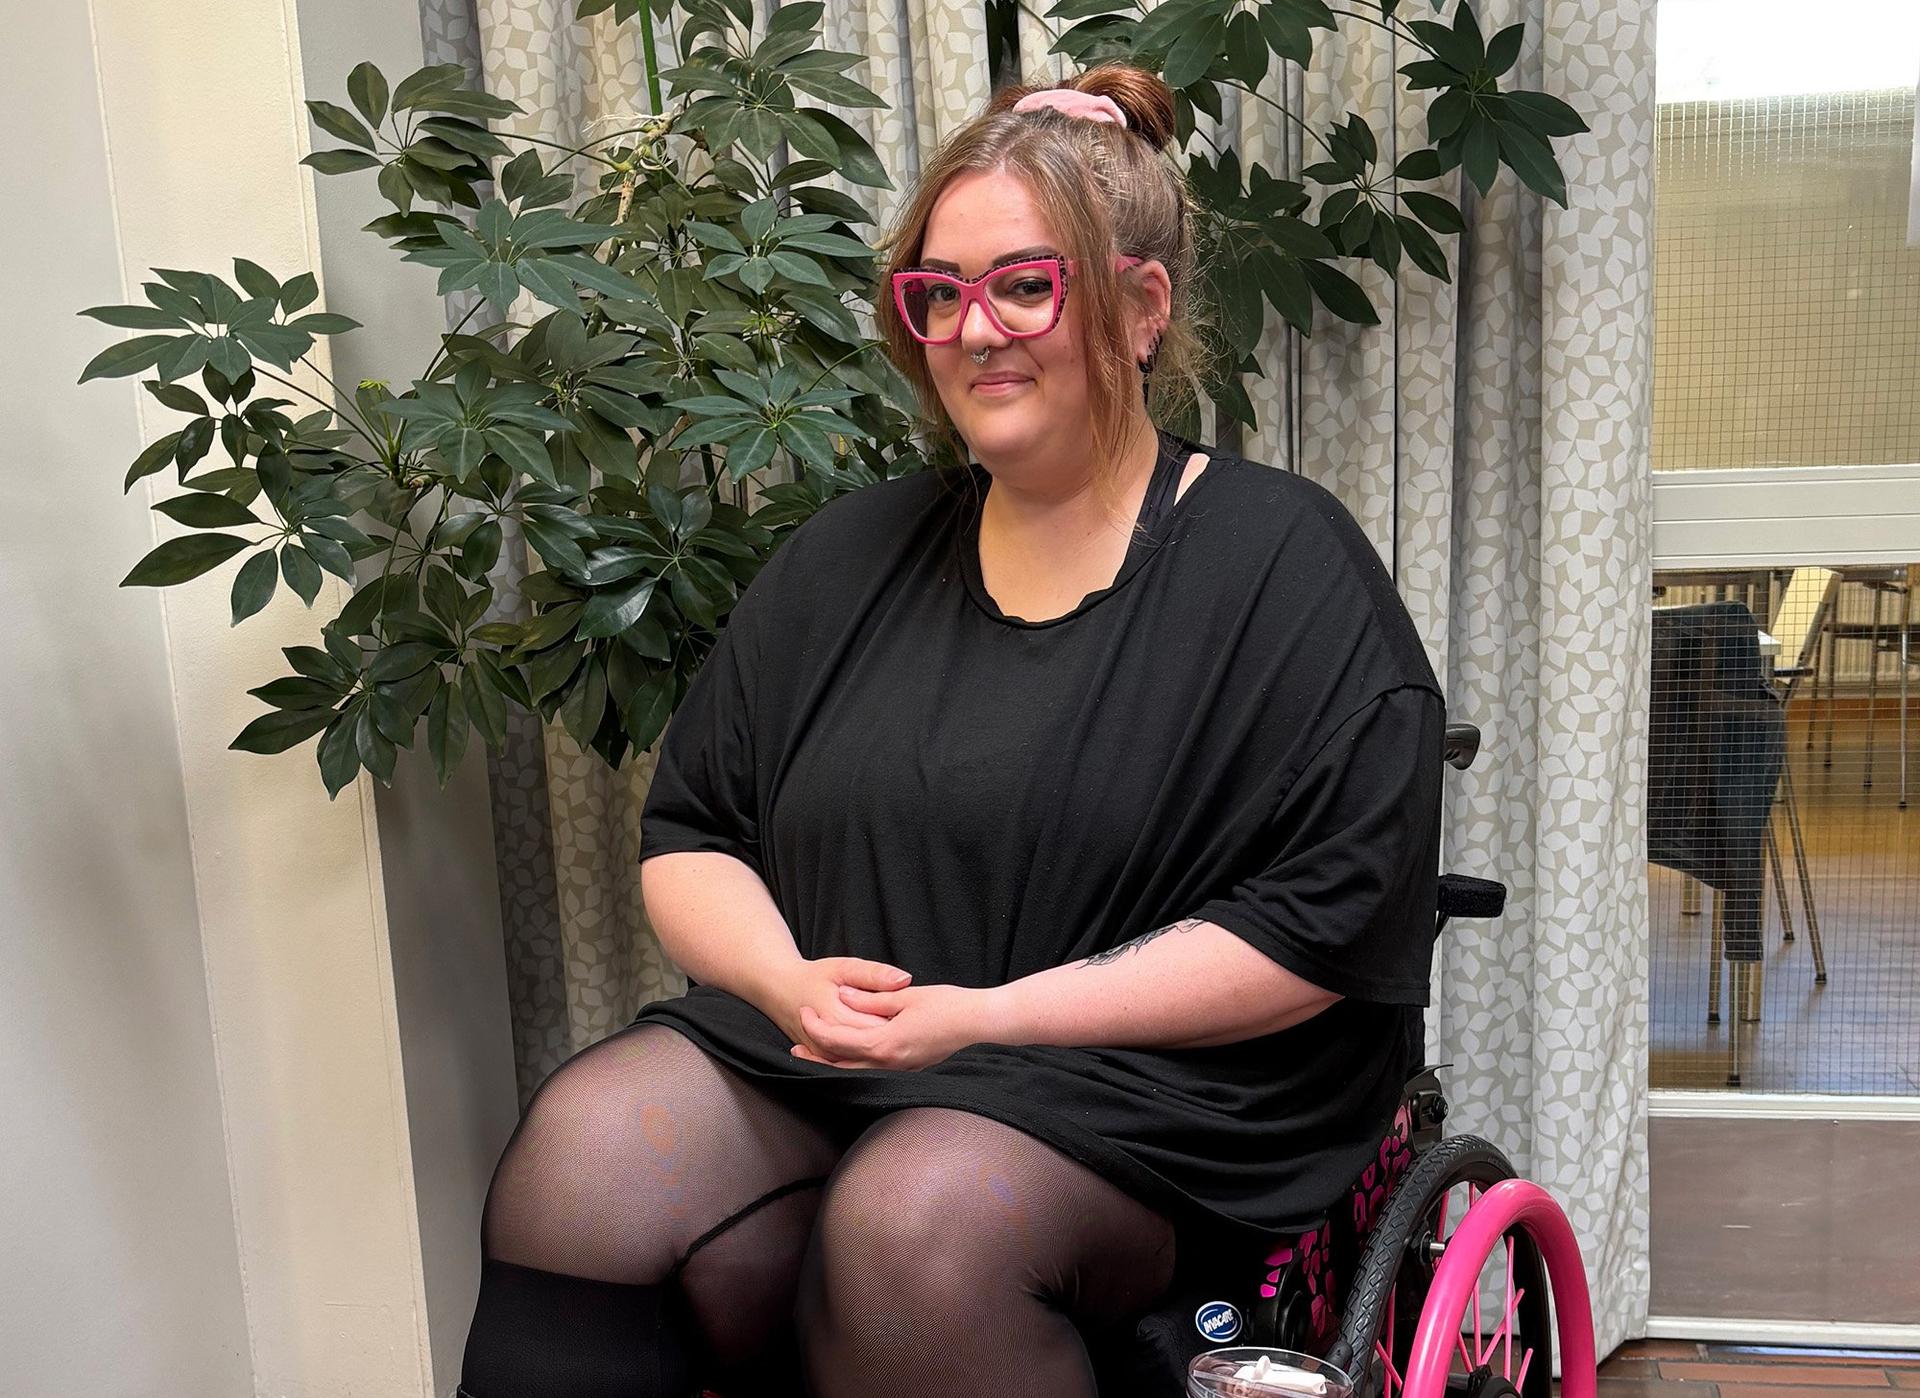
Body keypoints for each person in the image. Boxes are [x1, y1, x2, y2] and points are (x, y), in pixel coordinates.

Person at [459, 60, 1445, 1398]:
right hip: (860, 1053)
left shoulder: (1282, 564)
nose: (976, 331)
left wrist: (989, 1018)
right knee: (587, 1152)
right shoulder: (846, 561)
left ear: (1141, 308)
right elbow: (694, 833)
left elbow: (1328, 922)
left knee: (920, 1220)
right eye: (939, 293)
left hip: (1155, 1100)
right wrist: (785, 982)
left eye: (1026, 283)